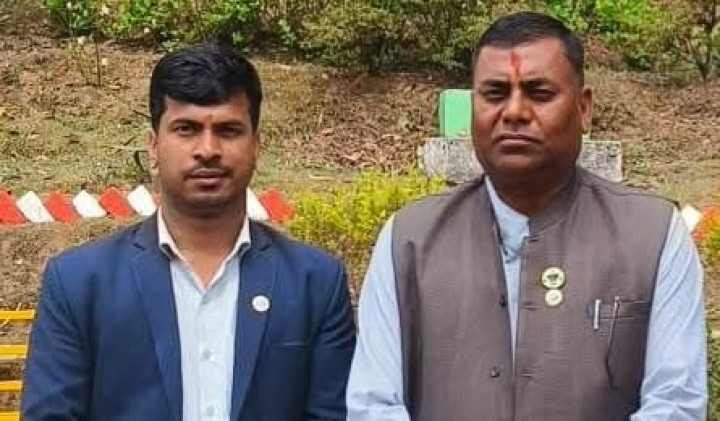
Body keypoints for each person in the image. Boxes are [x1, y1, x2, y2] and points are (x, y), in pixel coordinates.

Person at [347, 11, 707, 420]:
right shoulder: (408, 241)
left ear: (583, 107)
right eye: (495, 93)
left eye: (539, 93)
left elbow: (675, 404)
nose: (514, 112)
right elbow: (373, 405)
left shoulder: (653, 236)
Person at [22, 43, 356, 420]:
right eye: (186, 129)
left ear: (255, 146)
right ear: (154, 146)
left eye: (228, 130)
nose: (208, 149)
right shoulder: (79, 283)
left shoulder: (314, 282)